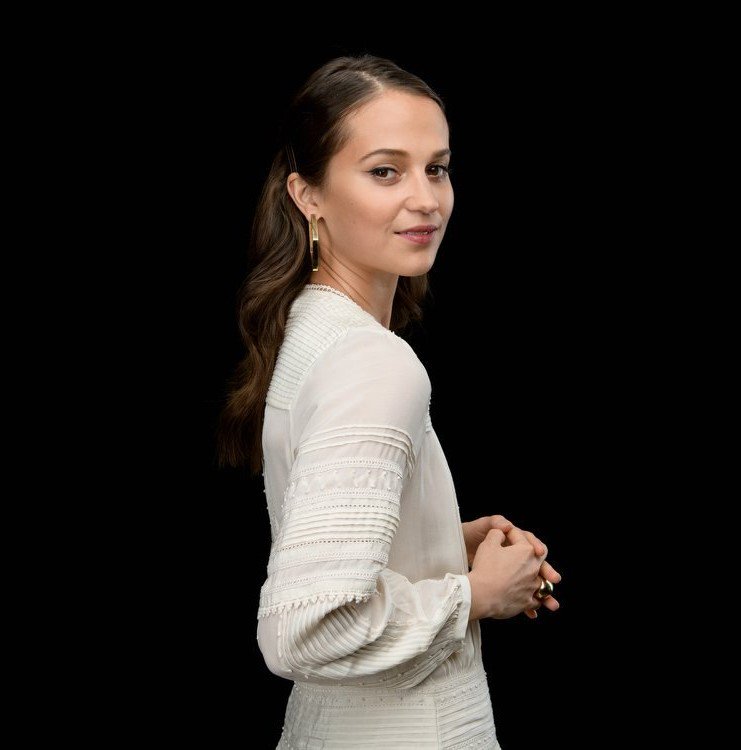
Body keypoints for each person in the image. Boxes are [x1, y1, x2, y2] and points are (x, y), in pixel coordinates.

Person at [218, 54, 561, 749]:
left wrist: (437, 546)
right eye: (384, 171)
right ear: (307, 194)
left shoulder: (311, 329)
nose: (426, 198)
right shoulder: (373, 363)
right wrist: (475, 595)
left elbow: (327, 553)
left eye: (437, 168)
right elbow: (304, 629)